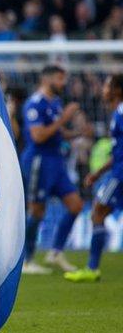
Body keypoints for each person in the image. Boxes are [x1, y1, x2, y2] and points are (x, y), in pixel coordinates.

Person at [20, 64, 84, 274]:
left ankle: (55, 251)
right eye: (59, 78)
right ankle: (27, 260)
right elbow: (38, 136)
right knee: (37, 210)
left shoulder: (55, 103)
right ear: (46, 79)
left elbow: (56, 132)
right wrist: (64, 119)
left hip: (56, 162)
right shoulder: (34, 104)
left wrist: (77, 133)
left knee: (75, 205)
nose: (63, 83)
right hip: (39, 162)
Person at [65, 74, 123, 282]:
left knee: (97, 212)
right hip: (116, 170)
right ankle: (92, 268)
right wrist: (99, 172)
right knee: (98, 212)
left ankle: (92, 268)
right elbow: (118, 151)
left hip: (120, 174)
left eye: (107, 85)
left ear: (116, 90)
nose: (103, 89)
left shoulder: (121, 111)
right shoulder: (116, 113)